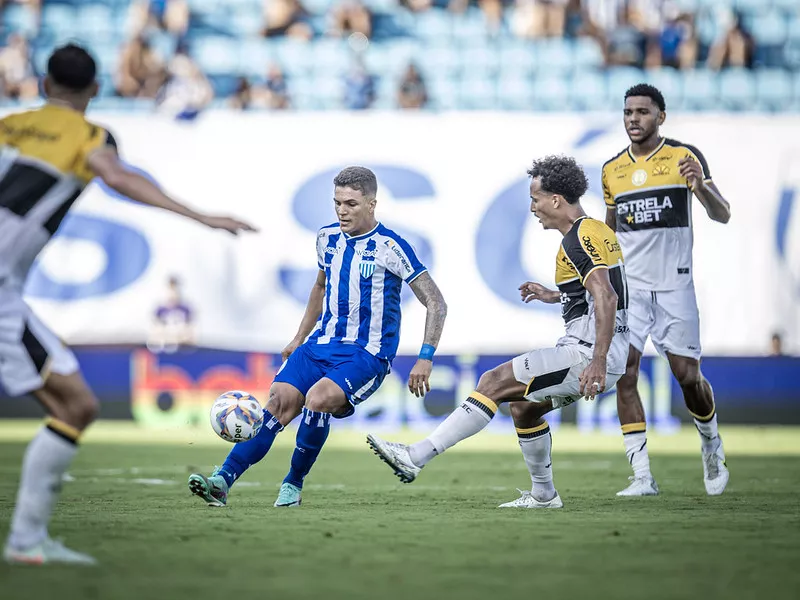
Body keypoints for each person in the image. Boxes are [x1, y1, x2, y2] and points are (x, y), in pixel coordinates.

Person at [1, 44, 256, 565]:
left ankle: (28, 542)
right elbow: (116, 176)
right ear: (94, 91)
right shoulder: (87, 138)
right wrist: (202, 216)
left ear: (44, 85)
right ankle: (26, 542)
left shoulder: (10, 125)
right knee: (77, 406)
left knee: (74, 405)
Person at [367, 155, 629, 509]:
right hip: (604, 350)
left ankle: (416, 455)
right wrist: (553, 295)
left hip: (588, 352)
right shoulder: (596, 230)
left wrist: (597, 361)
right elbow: (599, 289)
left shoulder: (576, 238)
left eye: (535, 198)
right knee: (523, 409)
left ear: (555, 200)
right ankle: (544, 496)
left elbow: (607, 295)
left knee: (492, 381)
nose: (532, 207)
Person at [511, 84, 731, 498]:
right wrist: (570, 292)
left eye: (643, 112)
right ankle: (642, 476)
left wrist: (699, 187)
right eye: (628, 111)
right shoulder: (612, 170)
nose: (634, 118)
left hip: (674, 284)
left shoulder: (685, 157)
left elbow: (723, 214)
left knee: (687, 377)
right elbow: (605, 240)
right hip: (630, 290)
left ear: (660, 117)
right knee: (624, 372)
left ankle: (710, 443)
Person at [188, 166, 447, 509]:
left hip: (365, 353)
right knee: (278, 402)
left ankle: (292, 485)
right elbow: (321, 286)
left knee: (318, 398)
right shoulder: (326, 238)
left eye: (351, 203)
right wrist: (299, 337)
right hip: (319, 344)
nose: (342, 210)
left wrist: (425, 356)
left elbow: (436, 302)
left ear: (372, 204)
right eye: (337, 202)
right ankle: (222, 481)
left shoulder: (392, 247)